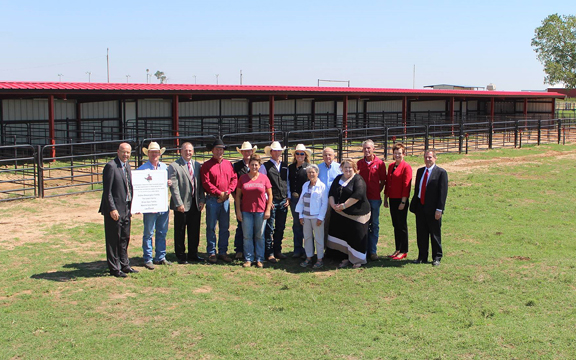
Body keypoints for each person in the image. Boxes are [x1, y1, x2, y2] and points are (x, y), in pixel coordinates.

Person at [99, 142, 137, 278]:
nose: (126, 155)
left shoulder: (127, 166)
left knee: (124, 238)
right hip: (114, 210)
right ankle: (114, 268)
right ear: (118, 151)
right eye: (123, 152)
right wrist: (112, 208)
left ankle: (125, 265)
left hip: (126, 208)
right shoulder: (111, 166)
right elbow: (107, 191)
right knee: (113, 239)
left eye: (128, 152)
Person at [326, 159, 371, 269]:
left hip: (357, 214)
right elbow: (331, 193)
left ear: (354, 168)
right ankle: (344, 257)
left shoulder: (358, 179)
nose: (347, 169)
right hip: (340, 213)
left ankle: (357, 260)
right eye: (345, 167)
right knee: (343, 235)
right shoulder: (338, 178)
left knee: (357, 236)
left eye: (350, 167)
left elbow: (358, 195)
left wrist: (344, 206)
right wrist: (333, 205)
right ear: (341, 168)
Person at [201, 138, 238, 264]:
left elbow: (234, 178)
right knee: (211, 227)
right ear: (212, 150)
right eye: (217, 149)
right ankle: (211, 252)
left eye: (221, 149)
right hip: (212, 199)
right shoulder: (206, 165)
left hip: (225, 199)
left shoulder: (228, 164)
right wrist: (219, 193)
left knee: (224, 227)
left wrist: (227, 192)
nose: (219, 151)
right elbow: (206, 183)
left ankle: (222, 251)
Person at [409, 149, 448, 267]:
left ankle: (436, 257)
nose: (427, 159)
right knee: (421, 233)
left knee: (435, 234)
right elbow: (417, 190)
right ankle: (422, 256)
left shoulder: (441, 173)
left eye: (430, 157)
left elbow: (443, 193)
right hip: (420, 207)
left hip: (433, 209)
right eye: (426, 157)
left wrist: (439, 209)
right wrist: (415, 207)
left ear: (435, 158)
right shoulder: (420, 171)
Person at [168, 142, 205, 264]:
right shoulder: (174, 166)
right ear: (181, 151)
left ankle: (193, 254)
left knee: (194, 230)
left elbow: (200, 185)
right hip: (181, 205)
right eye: (186, 150)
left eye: (190, 150)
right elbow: (174, 187)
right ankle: (180, 255)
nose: (188, 153)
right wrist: (179, 203)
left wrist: (201, 199)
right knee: (180, 230)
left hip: (195, 203)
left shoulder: (197, 165)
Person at [235, 154, 273, 268]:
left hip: (260, 211)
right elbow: (237, 196)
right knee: (247, 236)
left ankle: (259, 258)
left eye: (256, 165)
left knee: (260, 236)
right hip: (246, 211)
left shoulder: (264, 178)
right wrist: (238, 211)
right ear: (249, 165)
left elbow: (270, 195)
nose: (254, 167)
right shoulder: (243, 178)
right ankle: (248, 259)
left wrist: (267, 210)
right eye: (252, 164)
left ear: (259, 165)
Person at [139, 141, 172, 270]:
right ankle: (148, 258)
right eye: (152, 152)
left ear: (160, 154)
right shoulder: (142, 169)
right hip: (150, 206)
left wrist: (168, 182)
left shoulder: (165, 168)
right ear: (148, 154)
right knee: (149, 232)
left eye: (156, 152)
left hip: (163, 204)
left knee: (162, 231)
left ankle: (160, 256)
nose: (154, 155)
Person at [357, 139, 387, 260]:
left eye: (369, 148)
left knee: (374, 224)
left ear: (373, 149)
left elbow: (383, 181)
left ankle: (373, 251)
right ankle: (363, 250)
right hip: (362, 199)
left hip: (374, 199)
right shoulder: (359, 163)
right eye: (364, 148)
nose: (367, 150)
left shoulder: (379, 163)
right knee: (363, 224)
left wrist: (377, 191)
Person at [260, 141, 289, 263]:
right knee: (269, 227)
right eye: (275, 150)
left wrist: (288, 197)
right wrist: (267, 200)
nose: (277, 153)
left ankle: (278, 250)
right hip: (272, 200)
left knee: (280, 227)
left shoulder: (285, 166)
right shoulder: (264, 167)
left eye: (279, 150)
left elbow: (287, 183)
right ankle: (269, 252)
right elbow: (263, 185)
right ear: (271, 152)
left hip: (283, 200)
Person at [383, 143, 413, 260]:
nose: (397, 155)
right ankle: (398, 248)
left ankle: (404, 250)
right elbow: (388, 183)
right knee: (395, 225)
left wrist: (403, 202)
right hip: (392, 199)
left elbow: (406, 185)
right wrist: (386, 198)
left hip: (401, 200)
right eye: (395, 153)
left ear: (403, 154)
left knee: (402, 225)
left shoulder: (406, 167)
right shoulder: (391, 166)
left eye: (399, 153)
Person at [295, 164, 328, 269]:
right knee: (308, 237)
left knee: (318, 238)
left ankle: (319, 259)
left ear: (317, 173)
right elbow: (301, 201)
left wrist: (320, 217)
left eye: (313, 172)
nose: (311, 174)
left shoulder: (322, 186)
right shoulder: (305, 185)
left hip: (316, 217)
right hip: (306, 216)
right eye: (309, 172)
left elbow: (324, 203)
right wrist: (300, 215)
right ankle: (309, 257)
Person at [232, 141, 257, 260]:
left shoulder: (256, 165)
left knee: (254, 225)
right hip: (241, 199)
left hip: (254, 201)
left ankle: (253, 249)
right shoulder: (236, 166)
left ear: (252, 152)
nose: (247, 153)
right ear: (241, 152)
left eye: (249, 151)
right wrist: (235, 196)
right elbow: (233, 181)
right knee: (241, 224)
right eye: (245, 151)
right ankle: (239, 249)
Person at [287, 144, 311, 258]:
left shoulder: (309, 168)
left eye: (302, 153)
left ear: (305, 155)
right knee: (296, 224)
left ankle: (307, 250)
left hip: (306, 199)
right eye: (298, 153)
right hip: (295, 199)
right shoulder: (290, 168)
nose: (300, 156)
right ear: (295, 155)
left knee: (306, 224)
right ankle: (297, 249)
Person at [317, 147, 341, 245]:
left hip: (336, 199)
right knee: (324, 222)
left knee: (335, 222)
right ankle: (324, 245)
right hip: (322, 200)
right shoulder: (318, 168)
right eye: (325, 155)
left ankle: (335, 246)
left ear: (334, 156)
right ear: (322, 156)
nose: (327, 157)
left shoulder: (339, 168)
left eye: (329, 154)